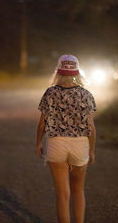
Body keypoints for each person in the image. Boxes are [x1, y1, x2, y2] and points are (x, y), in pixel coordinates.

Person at [36, 54, 96, 223]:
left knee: (62, 195)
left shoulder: (50, 93)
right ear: (77, 72)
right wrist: (91, 149)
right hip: (80, 145)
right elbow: (91, 127)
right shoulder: (86, 94)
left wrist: (38, 143)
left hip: (56, 144)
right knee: (78, 190)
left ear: (59, 72)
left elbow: (42, 124)